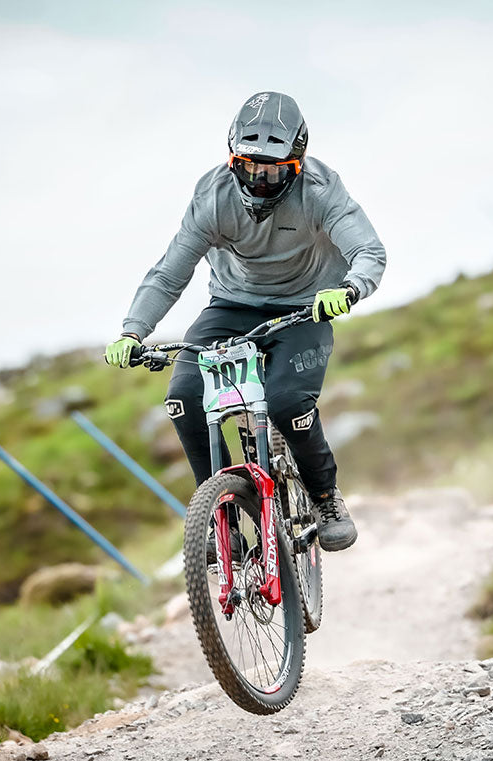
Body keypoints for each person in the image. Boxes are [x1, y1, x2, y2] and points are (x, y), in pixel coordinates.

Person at [103, 91, 386, 551]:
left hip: (304, 306)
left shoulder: (321, 190)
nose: (261, 179)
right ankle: (220, 518)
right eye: (250, 166)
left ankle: (325, 496)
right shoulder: (213, 197)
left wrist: (349, 289)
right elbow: (171, 271)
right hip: (232, 305)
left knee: (288, 400)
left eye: (276, 170)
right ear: (233, 159)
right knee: (183, 397)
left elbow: (368, 251)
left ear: (298, 163)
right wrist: (133, 329)